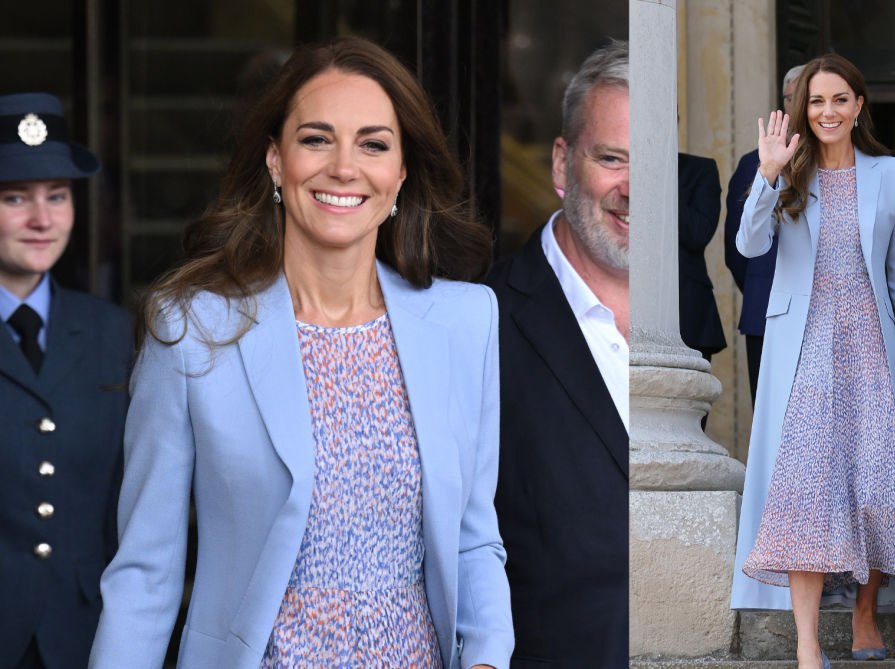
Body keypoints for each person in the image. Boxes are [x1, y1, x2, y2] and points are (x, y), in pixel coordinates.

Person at [89, 37, 512, 669]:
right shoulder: (191, 328)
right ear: (274, 160)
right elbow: (146, 574)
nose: (345, 167)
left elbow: (474, 542)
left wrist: (484, 658)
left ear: (401, 172)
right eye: (316, 139)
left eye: (373, 144)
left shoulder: (465, 321)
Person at [731, 55, 895, 668]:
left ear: (859, 105)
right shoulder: (785, 173)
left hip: (871, 349)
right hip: (804, 350)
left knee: (875, 486)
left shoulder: (893, 174)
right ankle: (807, 642)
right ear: (802, 110)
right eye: (817, 102)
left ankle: (867, 613)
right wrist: (766, 177)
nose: (828, 112)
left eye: (839, 99)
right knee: (806, 493)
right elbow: (749, 245)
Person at [485, 40, 629, 669]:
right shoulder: (480, 321)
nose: (633, 189)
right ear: (561, 162)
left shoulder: (695, 329)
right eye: (612, 158)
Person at [0, 93, 131, 669]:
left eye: (58, 195)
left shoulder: (110, 331)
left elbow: (125, 506)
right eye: (13, 198)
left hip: (83, 635)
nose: (42, 219)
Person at [724, 64, 805, 405]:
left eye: (807, 98)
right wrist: (764, 286)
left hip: (821, 313)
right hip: (765, 307)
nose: (799, 105)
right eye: (793, 98)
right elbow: (736, 249)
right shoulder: (751, 163)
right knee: (770, 415)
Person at [678, 151, 725, 363]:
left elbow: (698, 234)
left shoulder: (701, 169)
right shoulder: (619, 169)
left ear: (676, 120)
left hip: (687, 311)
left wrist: (657, 175)